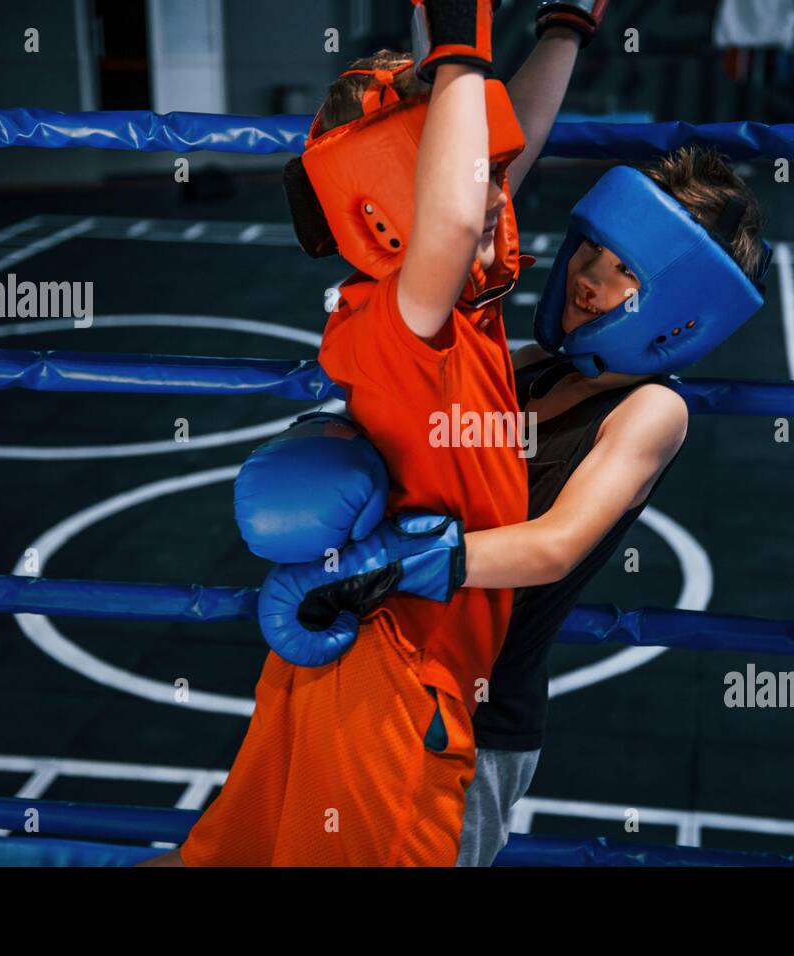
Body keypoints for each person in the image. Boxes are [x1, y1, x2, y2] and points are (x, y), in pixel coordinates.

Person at [143, 0, 601, 866]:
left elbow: (495, 168)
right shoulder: (407, 319)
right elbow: (459, 214)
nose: (494, 189)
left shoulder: (457, 307)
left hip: (374, 663)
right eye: (465, 172)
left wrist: (564, 28)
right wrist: (463, 38)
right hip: (395, 688)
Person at [253, 146, 771, 866]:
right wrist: (335, 439)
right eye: (595, 248)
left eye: (627, 272)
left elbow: (555, 545)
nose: (590, 278)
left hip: (478, 718)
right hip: (386, 670)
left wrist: (396, 561)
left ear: (682, 314)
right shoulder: (527, 365)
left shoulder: (651, 411)